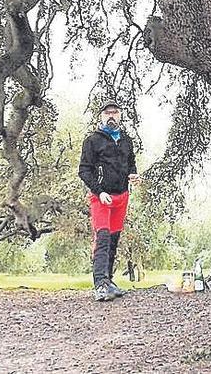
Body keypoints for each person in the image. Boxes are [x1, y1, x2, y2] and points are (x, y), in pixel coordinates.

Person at [77, 102, 139, 302]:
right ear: (101, 117)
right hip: (101, 198)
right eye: (107, 113)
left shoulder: (126, 141)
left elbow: (131, 165)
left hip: (122, 197)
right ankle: (100, 285)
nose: (111, 116)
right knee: (102, 240)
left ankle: (109, 281)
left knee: (113, 240)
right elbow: (84, 171)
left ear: (120, 115)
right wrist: (99, 190)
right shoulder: (92, 141)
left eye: (115, 112)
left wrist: (134, 176)